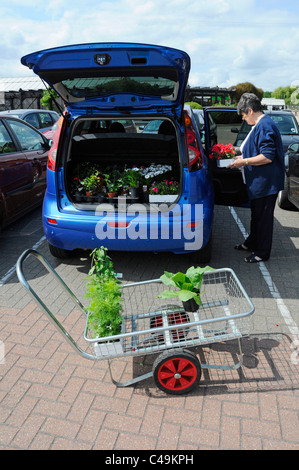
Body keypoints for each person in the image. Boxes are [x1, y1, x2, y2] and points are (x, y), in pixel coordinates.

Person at [229, 93, 285, 263]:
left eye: (244, 115)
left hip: (267, 184)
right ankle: (251, 242)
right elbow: (255, 150)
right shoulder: (260, 124)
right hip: (259, 183)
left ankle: (262, 252)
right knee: (256, 216)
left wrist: (244, 161)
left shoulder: (265, 126)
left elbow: (267, 156)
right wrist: (241, 157)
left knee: (264, 219)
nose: (244, 119)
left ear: (251, 111)